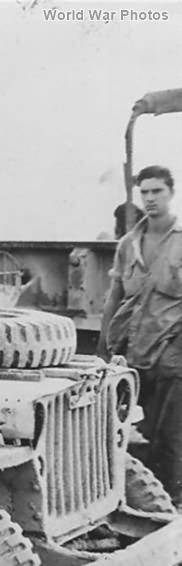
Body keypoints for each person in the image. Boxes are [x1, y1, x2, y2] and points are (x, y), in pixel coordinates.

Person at [98, 165, 182, 507]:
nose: (149, 199)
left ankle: (173, 506)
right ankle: (132, 501)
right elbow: (115, 294)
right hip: (130, 353)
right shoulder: (128, 243)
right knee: (123, 433)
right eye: (144, 192)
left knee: (170, 437)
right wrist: (104, 345)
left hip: (170, 354)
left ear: (171, 193)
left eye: (156, 191)